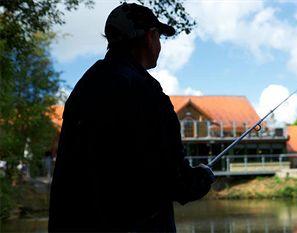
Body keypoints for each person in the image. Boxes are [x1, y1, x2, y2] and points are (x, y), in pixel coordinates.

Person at [49, 3, 215, 232]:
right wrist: (202, 177)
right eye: (159, 37)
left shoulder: (83, 89)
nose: (159, 46)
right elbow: (174, 180)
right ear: (150, 37)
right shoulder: (146, 92)